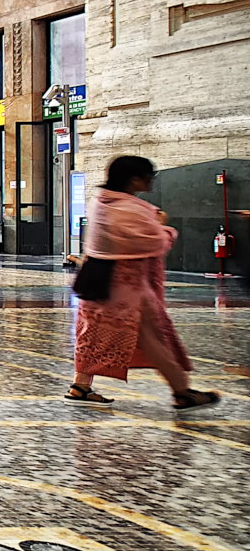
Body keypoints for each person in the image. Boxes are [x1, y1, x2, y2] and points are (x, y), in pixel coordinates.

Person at [66, 155, 219, 408]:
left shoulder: (101, 202)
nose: (151, 181)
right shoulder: (130, 209)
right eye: (149, 176)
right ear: (135, 179)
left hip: (97, 280)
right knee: (152, 338)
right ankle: (181, 391)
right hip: (127, 288)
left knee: (91, 335)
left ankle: (81, 385)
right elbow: (155, 242)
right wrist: (163, 227)